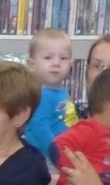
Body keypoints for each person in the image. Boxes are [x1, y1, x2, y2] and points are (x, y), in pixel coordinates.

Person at [21, 27, 79, 158]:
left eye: (63, 58)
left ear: (70, 65)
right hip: (45, 155)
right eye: (48, 57)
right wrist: (57, 153)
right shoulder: (40, 95)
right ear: (32, 65)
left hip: (65, 150)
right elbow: (40, 129)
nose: (56, 63)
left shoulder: (62, 92)